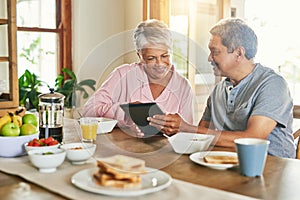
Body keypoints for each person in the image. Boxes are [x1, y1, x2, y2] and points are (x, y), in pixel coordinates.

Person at [148, 18, 296, 158]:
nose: (209, 58)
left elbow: (251, 140)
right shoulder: (219, 90)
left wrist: (187, 128)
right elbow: (201, 135)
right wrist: (171, 128)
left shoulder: (273, 85)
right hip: (226, 164)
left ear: (239, 53)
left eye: (215, 51)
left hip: (273, 168)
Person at [82, 19, 194, 135]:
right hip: (124, 148)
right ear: (139, 54)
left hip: (167, 151)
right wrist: (125, 113)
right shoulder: (122, 75)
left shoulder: (183, 86)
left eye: (165, 56)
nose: (159, 64)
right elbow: (88, 111)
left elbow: (188, 133)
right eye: (151, 58)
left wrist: (174, 129)